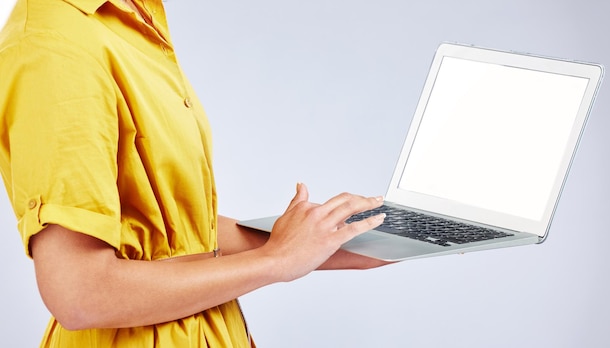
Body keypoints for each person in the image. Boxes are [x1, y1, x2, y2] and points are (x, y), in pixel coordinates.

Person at [0, 0, 388, 346]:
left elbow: (168, 232)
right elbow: (79, 294)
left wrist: (333, 241)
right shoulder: (53, 44)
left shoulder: (133, 14)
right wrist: (276, 260)